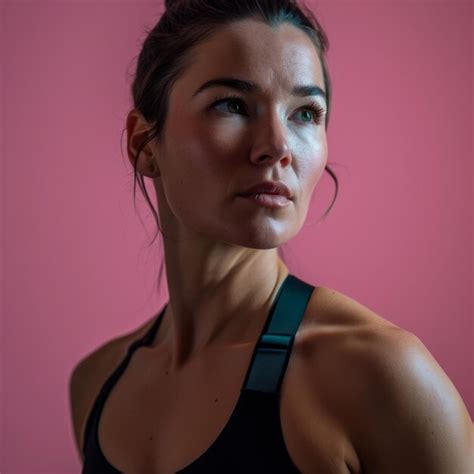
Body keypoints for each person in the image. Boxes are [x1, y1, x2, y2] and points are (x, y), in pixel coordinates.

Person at [69, 0, 474, 472]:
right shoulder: (97, 384)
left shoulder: (379, 374)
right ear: (142, 143)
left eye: (305, 113)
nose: (278, 146)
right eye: (232, 105)